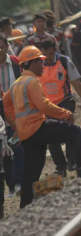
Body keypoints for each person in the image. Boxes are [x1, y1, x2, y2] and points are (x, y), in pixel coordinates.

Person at [3, 46, 81, 208]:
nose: (43, 64)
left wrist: (17, 126)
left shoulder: (17, 84)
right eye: (40, 62)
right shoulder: (32, 81)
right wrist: (65, 114)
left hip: (27, 134)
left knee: (32, 170)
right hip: (38, 127)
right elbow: (44, 106)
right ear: (31, 63)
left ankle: (25, 204)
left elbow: (4, 107)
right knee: (75, 132)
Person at [37, 37, 81, 176]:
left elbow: (75, 82)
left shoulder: (64, 61)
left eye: (50, 54)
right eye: (45, 54)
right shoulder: (37, 64)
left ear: (55, 49)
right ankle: (60, 167)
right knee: (50, 137)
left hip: (65, 101)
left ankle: (71, 161)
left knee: (68, 131)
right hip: (47, 105)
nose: (48, 58)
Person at [0, 34, 22, 199]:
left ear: (7, 46)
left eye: (2, 46)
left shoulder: (16, 63)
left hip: (17, 110)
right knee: (5, 151)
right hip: (1, 114)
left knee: (19, 146)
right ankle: (11, 186)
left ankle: (20, 181)